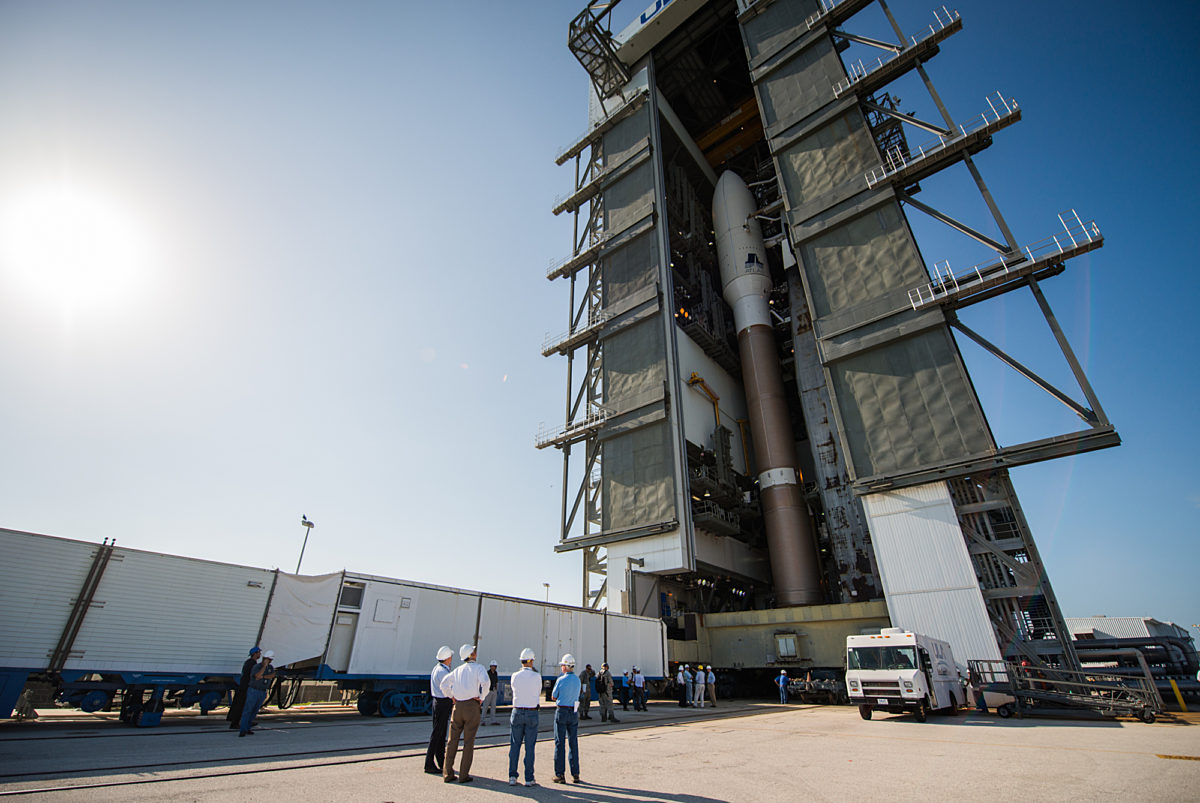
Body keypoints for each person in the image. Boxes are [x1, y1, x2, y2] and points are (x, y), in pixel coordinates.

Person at [440, 644, 490, 783]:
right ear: (471, 655)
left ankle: (447, 773)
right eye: (474, 651)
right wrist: (481, 697)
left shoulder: (457, 670)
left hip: (458, 707)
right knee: (468, 742)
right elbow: (486, 682)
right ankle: (463, 775)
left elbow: (443, 684)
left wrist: (452, 696)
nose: (475, 652)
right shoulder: (479, 668)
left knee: (452, 741)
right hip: (471, 707)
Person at [508, 647, 541, 787]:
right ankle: (529, 778)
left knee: (514, 745)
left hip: (517, 712)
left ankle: (512, 776)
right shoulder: (536, 676)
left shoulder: (515, 676)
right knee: (530, 747)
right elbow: (538, 692)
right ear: (531, 661)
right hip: (532, 713)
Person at [551, 654, 582, 784]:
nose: (561, 667)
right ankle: (575, 774)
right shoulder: (578, 680)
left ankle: (560, 774)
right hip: (573, 713)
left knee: (559, 742)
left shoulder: (560, 680)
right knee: (573, 743)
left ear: (566, 666)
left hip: (562, 711)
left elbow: (553, 696)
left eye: (562, 665)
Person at [424, 645, 454, 775]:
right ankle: (429, 763)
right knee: (437, 734)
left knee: (440, 734)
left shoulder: (437, 669)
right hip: (443, 703)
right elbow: (448, 688)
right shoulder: (443, 672)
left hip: (438, 702)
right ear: (447, 658)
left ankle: (441, 762)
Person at [238, 649, 275, 736]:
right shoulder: (257, 667)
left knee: (254, 711)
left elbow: (272, 675)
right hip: (254, 690)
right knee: (248, 710)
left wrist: (263, 676)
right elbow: (257, 676)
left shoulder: (270, 668)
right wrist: (264, 667)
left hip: (262, 691)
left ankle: (248, 728)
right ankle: (243, 729)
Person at [227, 646, 260, 729]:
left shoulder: (248, 662)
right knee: (243, 705)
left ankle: (239, 722)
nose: (260, 654)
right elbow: (253, 675)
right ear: (255, 654)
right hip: (246, 687)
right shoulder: (252, 663)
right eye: (259, 652)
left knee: (241, 704)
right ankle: (239, 723)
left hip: (243, 686)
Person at [484, 659, 499, 725]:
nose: (494, 667)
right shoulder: (487, 673)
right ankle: (482, 720)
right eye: (492, 666)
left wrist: (496, 689)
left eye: (495, 666)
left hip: (494, 691)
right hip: (488, 691)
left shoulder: (495, 673)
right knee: (485, 706)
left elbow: (496, 681)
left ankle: (493, 720)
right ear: (490, 666)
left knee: (493, 706)